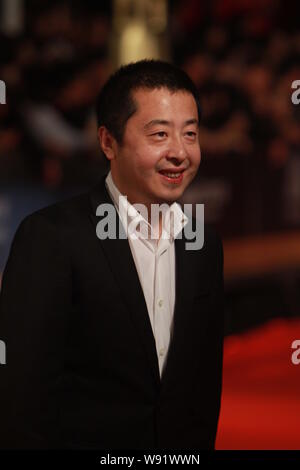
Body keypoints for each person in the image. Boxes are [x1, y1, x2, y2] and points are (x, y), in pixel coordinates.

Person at [0, 59, 224, 450]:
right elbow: (20, 392)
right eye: (159, 135)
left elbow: (203, 383)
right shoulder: (51, 237)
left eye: (190, 134)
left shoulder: (202, 241)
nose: (180, 152)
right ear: (108, 142)